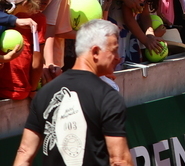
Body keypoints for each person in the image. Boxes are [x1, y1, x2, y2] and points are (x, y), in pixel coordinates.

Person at [15, 19, 130, 165]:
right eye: (114, 50)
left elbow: (24, 152)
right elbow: (119, 160)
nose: (118, 57)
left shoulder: (45, 93)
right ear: (95, 52)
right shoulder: (108, 97)